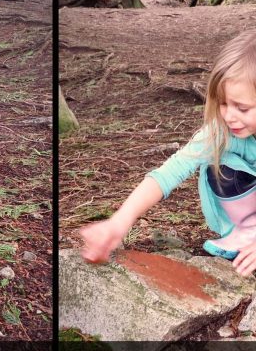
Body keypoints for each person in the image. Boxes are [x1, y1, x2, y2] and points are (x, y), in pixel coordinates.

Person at [80, 28, 256, 277]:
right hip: (246, 216)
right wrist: (119, 222)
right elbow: (169, 173)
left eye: (242, 108)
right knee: (217, 163)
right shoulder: (220, 131)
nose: (229, 116)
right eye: (224, 103)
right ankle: (244, 233)